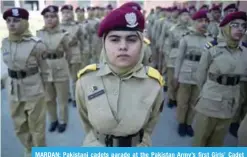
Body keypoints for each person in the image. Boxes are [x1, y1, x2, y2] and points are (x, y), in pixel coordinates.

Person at [75, 6, 165, 147]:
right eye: (115, 39)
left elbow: (150, 125)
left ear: (142, 44)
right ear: (104, 44)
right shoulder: (86, 80)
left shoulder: (153, 84)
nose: (123, 46)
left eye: (131, 39)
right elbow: (85, 121)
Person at [193, 11, 247, 146]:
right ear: (226, 27)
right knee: (201, 139)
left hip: (230, 102)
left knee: (218, 142)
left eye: (244, 26)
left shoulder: (245, 52)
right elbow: (200, 75)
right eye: (235, 25)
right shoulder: (213, 48)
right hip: (210, 100)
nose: (240, 29)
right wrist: (206, 93)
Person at [1, 7, 47, 157]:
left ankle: (40, 152)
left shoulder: (37, 44)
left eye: (16, 20)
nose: (11, 24)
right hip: (14, 90)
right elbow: (8, 67)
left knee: (37, 127)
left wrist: (45, 90)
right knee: (19, 126)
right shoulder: (6, 42)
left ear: (25, 22)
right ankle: (29, 149)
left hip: (33, 89)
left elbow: (45, 70)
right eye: (8, 21)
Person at [174, 10, 211, 137]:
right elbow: (179, 57)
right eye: (200, 21)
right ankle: (181, 123)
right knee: (183, 101)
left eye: (206, 21)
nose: (203, 24)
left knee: (195, 102)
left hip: (201, 76)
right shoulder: (186, 37)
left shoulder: (210, 40)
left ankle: (189, 123)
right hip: (186, 73)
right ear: (194, 22)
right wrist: (176, 74)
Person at [36, 5, 71, 133]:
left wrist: (64, 65)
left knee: (62, 99)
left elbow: (69, 53)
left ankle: (62, 121)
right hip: (45, 70)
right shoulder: (39, 34)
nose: (49, 19)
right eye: (46, 17)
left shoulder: (64, 34)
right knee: (48, 99)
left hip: (60, 68)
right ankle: (53, 120)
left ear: (57, 18)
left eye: (52, 16)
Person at [60, 4, 85, 107]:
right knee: (63, 77)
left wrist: (81, 51)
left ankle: (75, 97)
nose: (66, 15)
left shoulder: (77, 26)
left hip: (75, 54)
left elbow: (82, 40)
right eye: (64, 12)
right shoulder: (57, 27)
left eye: (68, 12)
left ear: (72, 13)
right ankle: (67, 96)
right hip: (62, 55)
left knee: (75, 77)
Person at [165, 8, 190, 108]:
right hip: (174, 57)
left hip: (185, 59)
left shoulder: (191, 30)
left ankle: (178, 99)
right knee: (172, 80)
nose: (186, 17)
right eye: (184, 15)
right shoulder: (173, 29)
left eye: (187, 15)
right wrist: (167, 58)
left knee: (181, 80)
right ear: (179, 17)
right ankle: (171, 98)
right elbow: (168, 45)